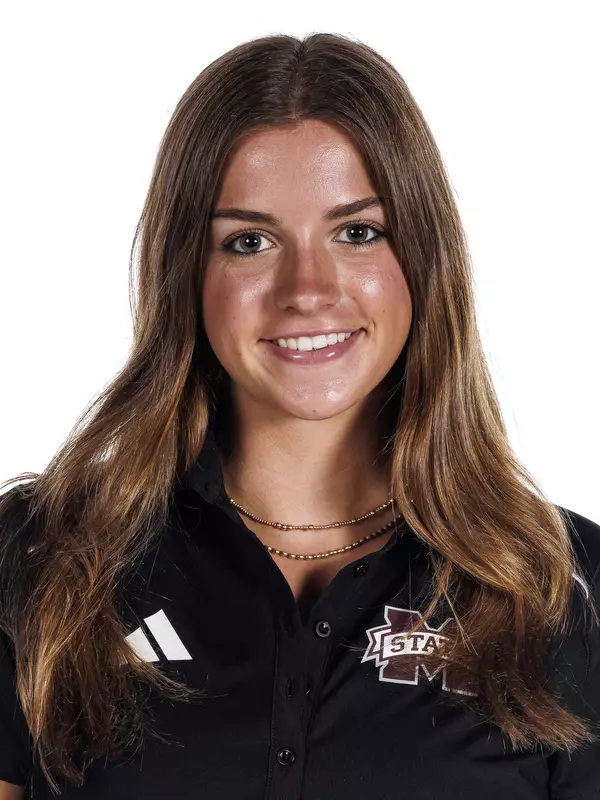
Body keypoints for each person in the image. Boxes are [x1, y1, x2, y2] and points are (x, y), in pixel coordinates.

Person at [0, 31, 599, 800]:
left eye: (358, 232)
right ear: (188, 270)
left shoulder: (560, 588)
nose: (307, 288)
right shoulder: (47, 562)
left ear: (423, 258)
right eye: (249, 241)